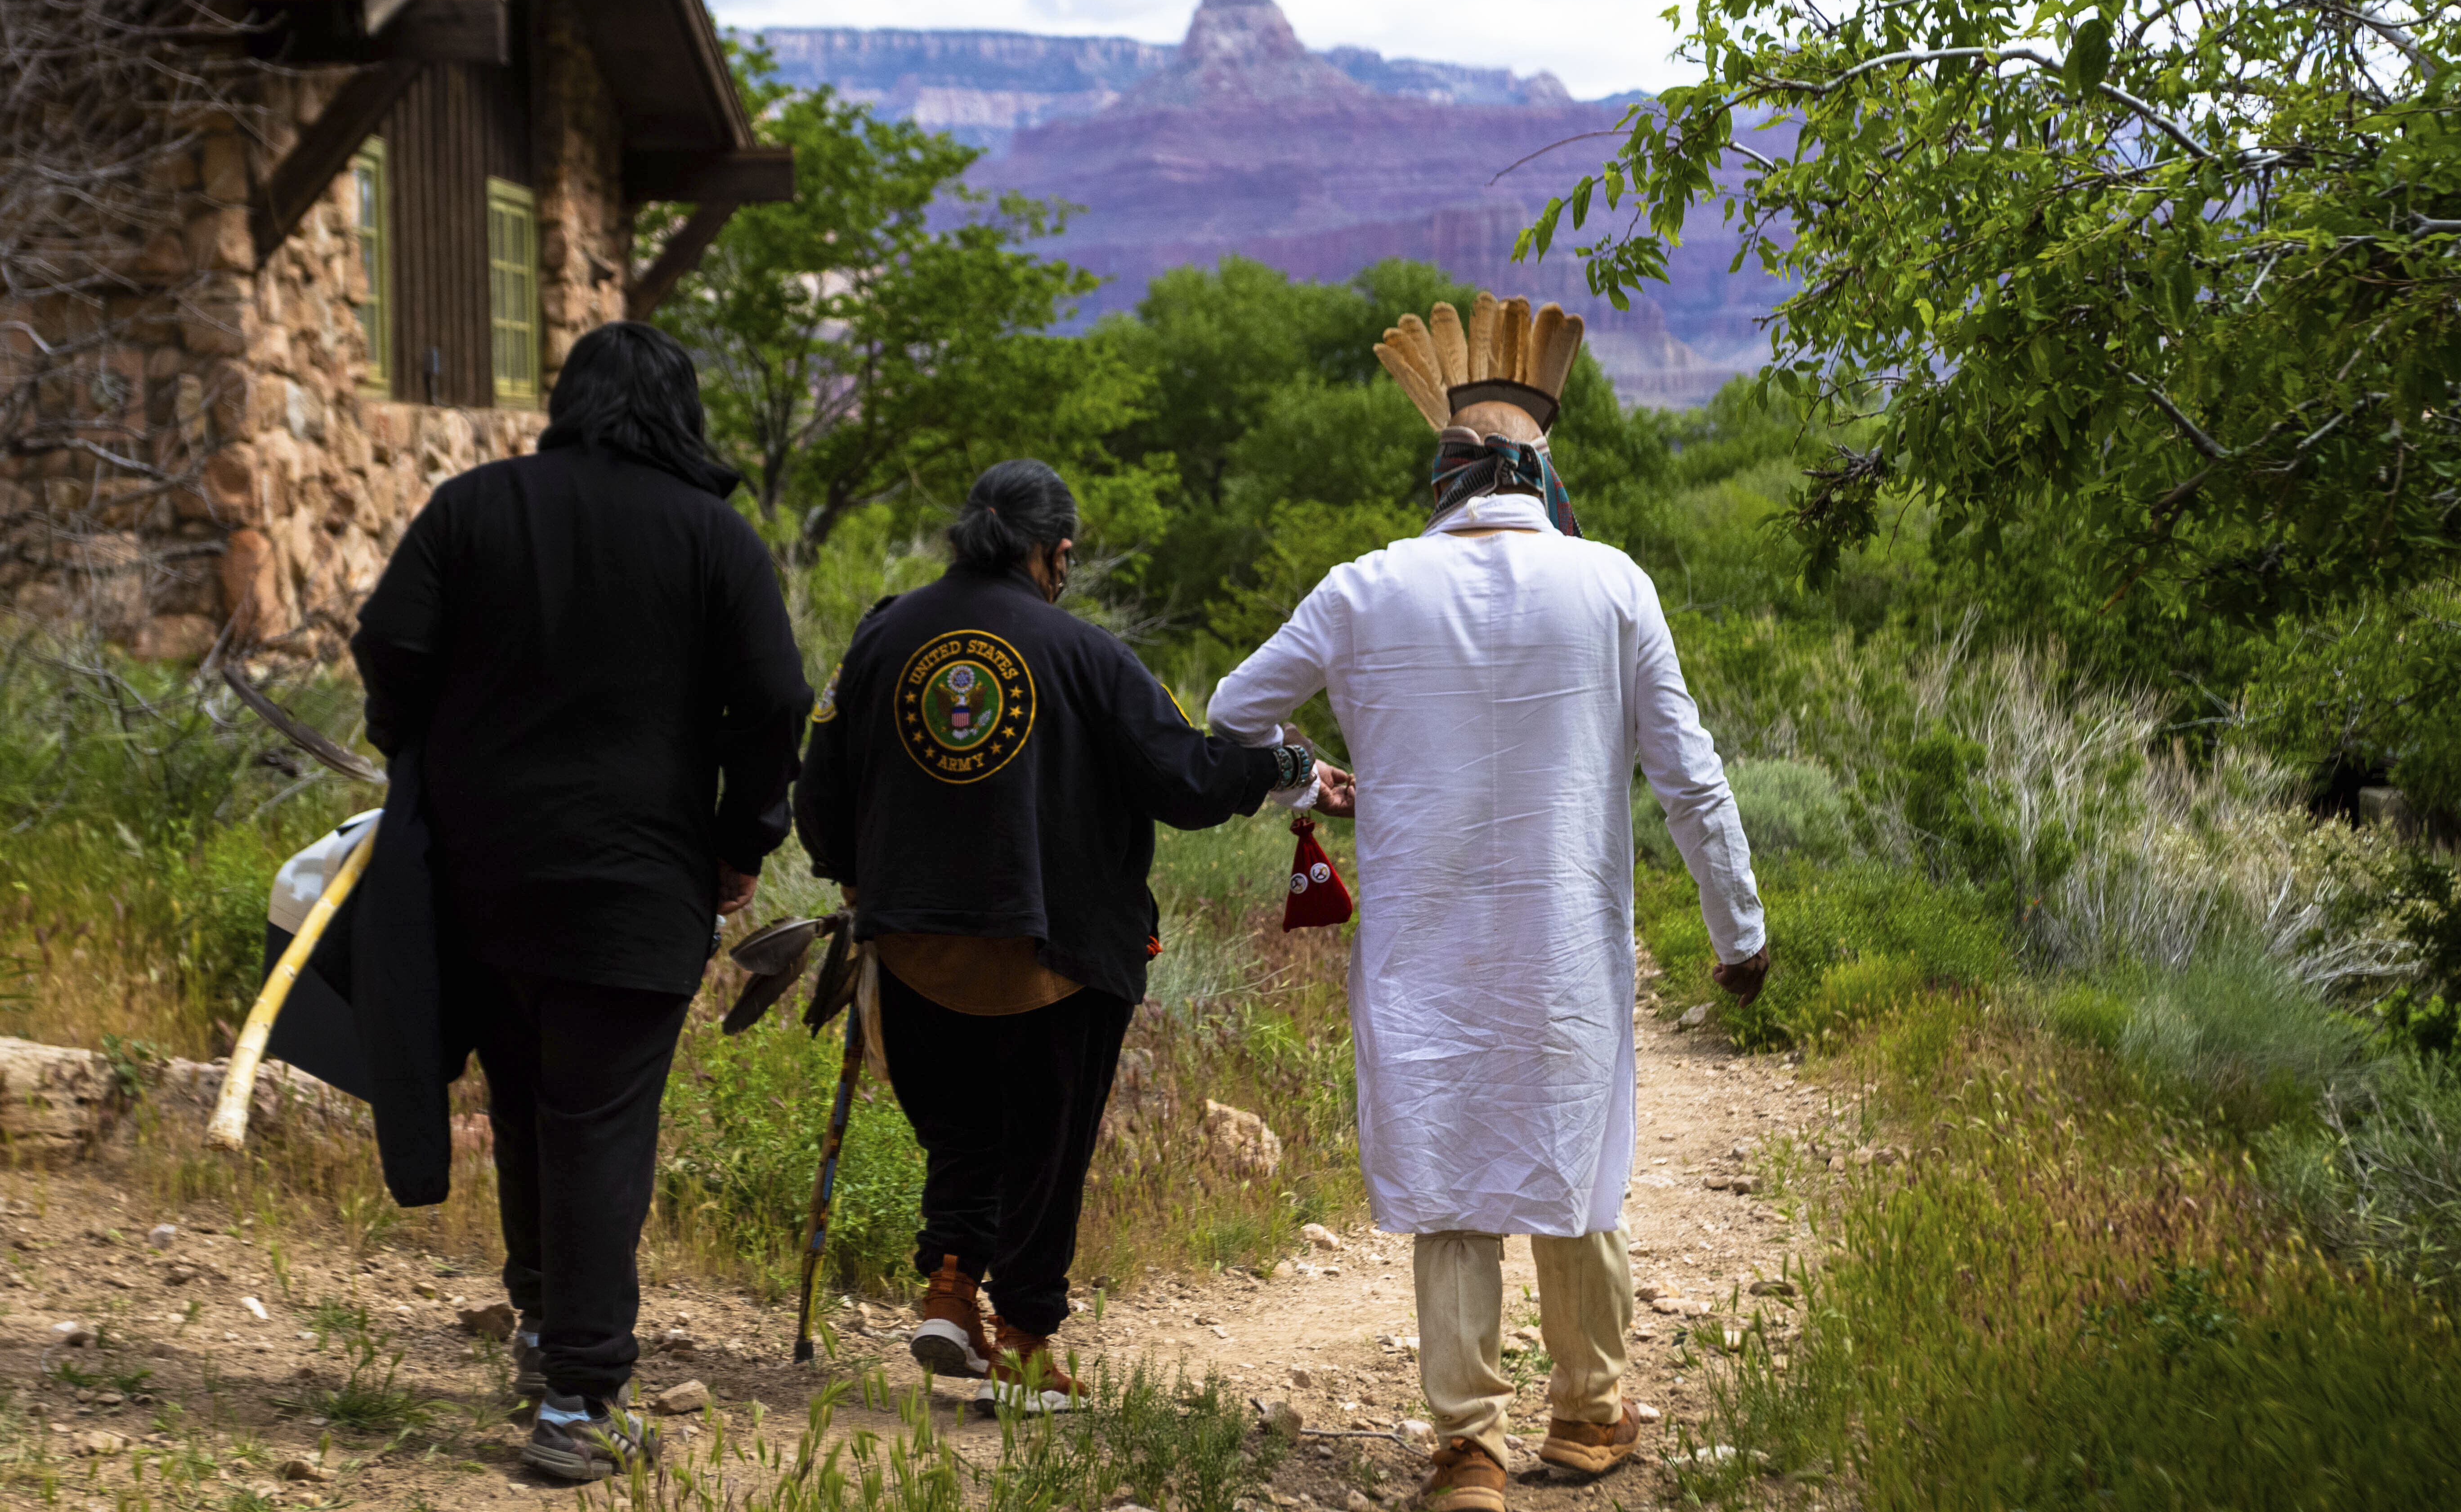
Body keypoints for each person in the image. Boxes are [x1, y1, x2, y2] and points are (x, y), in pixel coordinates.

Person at [1207, 294, 1770, 1511]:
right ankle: (1590, 1417)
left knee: (1453, 1173)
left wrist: (1308, 779)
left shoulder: (1363, 590)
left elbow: (1230, 712)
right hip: (1566, 946)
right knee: (1577, 1164)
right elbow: (1688, 771)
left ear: (1445, 479)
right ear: (1540, 477)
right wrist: (1741, 932)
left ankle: (1468, 1448)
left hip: (1425, 947)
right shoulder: (1614, 584)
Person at [352, 321, 810, 1482]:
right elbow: (773, 702)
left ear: (570, 400)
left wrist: (421, 756)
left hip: (476, 876)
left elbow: (389, 643)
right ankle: (582, 1400)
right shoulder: (716, 540)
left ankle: (550, 1330)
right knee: (599, 1123)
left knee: (524, 1104)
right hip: (637, 883)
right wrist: (743, 840)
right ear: (682, 414)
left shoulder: (474, 507)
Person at [794, 458, 1330, 1414]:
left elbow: (821, 782)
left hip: (914, 944)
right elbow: (1186, 782)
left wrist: (852, 875)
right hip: (1053, 954)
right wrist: (1285, 761)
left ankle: (952, 1292)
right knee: (1047, 1142)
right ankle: (1028, 1343)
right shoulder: (1086, 656)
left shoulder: (881, 638)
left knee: (961, 1125)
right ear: (1056, 553)